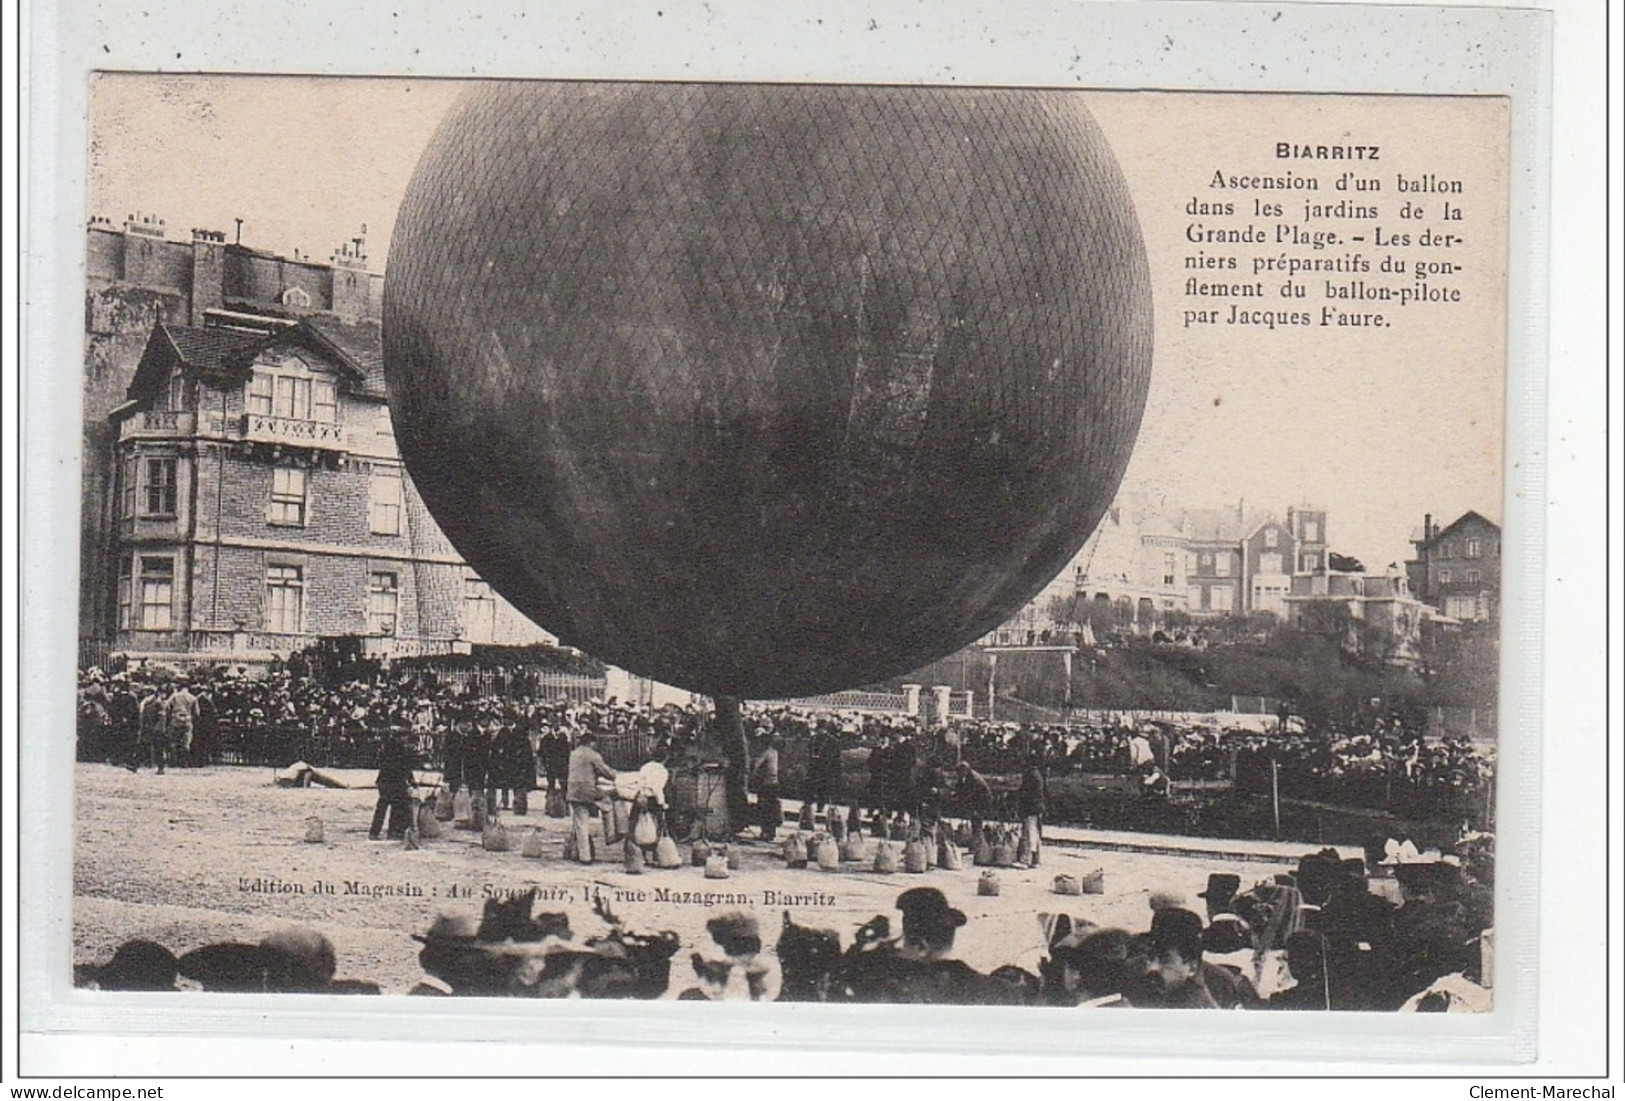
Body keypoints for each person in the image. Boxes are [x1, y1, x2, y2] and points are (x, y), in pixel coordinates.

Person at [1136, 908, 1220, 1008]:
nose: (1152, 967)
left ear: (1192, 967)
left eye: (1165, 961)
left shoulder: (1196, 1010)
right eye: (1150, 958)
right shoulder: (1155, 993)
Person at [566, 731, 616, 863]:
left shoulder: (573, 754)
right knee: (608, 803)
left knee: (580, 824)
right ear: (591, 743)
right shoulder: (593, 755)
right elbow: (606, 772)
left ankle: (584, 856)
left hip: (572, 791)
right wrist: (616, 775)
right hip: (589, 792)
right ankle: (611, 834)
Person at [1014, 753, 1046, 867]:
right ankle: (1036, 860)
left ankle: (1025, 860)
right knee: (1035, 834)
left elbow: (1026, 793)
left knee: (1028, 834)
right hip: (1037, 808)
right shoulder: (1037, 774)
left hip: (1030, 808)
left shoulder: (1029, 775)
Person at [750, 735, 782, 841]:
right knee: (772, 809)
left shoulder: (765, 753)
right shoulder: (775, 752)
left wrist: (753, 774)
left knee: (764, 808)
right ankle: (771, 832)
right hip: (774, 783)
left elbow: (755, 765)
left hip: (765, 784)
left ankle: (764, 832)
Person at [955, 760, 995, 840]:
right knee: (974, 822)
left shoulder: (975, 779)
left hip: (982, 801)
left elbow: (974, 795)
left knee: (977, 822)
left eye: (960, 772)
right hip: (975, 800)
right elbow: (960, 788)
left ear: (965, 770)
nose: (958, 774)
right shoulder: (964, 776)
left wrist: (974, 809)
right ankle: (976, 842)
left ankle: (979, 843)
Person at [165, 679, 200, 768]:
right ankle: (184, 762)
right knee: (186, 742)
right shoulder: (193, 698)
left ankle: (173, 762)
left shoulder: (175, 696)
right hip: (187, 720)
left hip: (175, 719)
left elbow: (166, 706)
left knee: (173, 741)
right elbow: (196, 713)